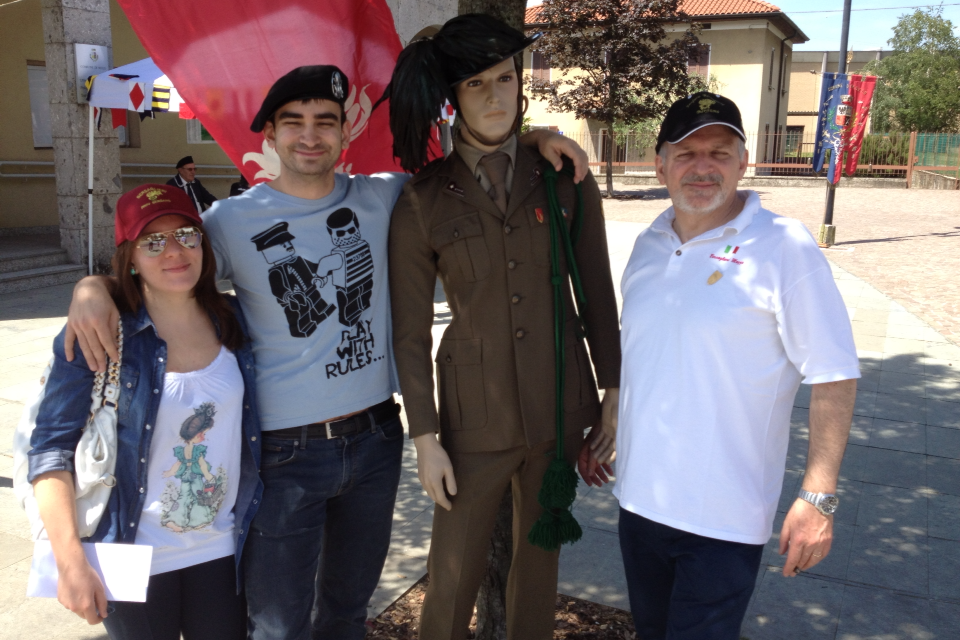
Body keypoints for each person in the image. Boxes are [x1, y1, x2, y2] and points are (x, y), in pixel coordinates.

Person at [64, 64, 589, 640]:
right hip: (286, 454)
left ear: (346, 131)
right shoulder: (231, 221)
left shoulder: (389, 196)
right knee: (278, 623)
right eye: (293, 123)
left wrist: (534, 138)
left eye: (325, 122)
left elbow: (473, 158)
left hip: (376, 440)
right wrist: (93, 288)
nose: (310, 136)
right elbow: (164, 264)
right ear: (270, 135)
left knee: (346, 613)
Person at [386, 15, 621, 640]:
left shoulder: (564, 176)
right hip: (472, 418)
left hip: (557, 407)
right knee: (452, 574)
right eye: (475, 84)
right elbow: (409, 332)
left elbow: (597, 293)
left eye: (506, 79)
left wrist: (613, 391)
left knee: (538, 573)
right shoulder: (423, 199)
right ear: (453, 96)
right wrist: (425, 437)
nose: (495, 96)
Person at [603, 92, 860, 640]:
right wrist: (607, 423)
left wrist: (817, 497)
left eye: (719, 153)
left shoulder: (783, 245)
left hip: (723, 517)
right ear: (660, 165)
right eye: (686, 153)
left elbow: (834, 374)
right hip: (640, 503)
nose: (703, 167)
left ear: (744, 163)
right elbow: (645, 354)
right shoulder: (649, 243)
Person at [28, 183, 262, 640]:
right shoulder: (99, 332)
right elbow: (50, 451)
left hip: (221, 548)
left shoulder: (236, 319)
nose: (174, 251)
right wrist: (70, 562)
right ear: (130, 257)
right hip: (129, 555)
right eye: (152, 242)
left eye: (186, 235)